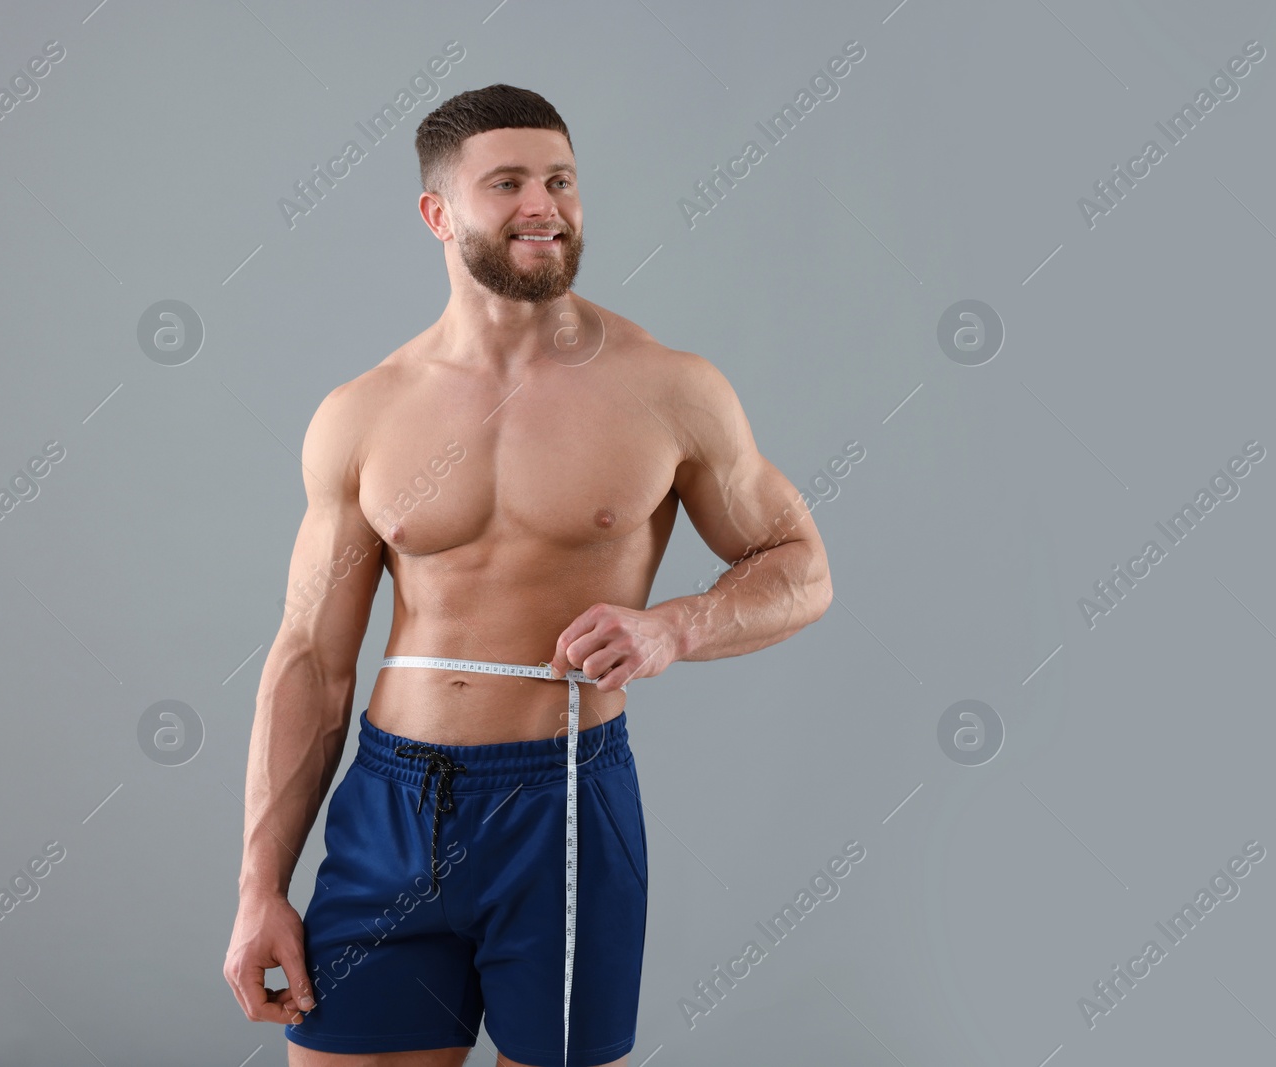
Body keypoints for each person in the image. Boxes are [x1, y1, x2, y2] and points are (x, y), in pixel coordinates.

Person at [222, 83, 833, 1067]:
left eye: (560, 179)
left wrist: (675, 625)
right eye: (507, 182)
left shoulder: (670, 389)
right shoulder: (364, 412)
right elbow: (310, 661)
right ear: (437, 213)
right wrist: (259, 887)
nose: (543, 204)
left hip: (561, 803)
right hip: (389, 805)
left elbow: (802, 568)